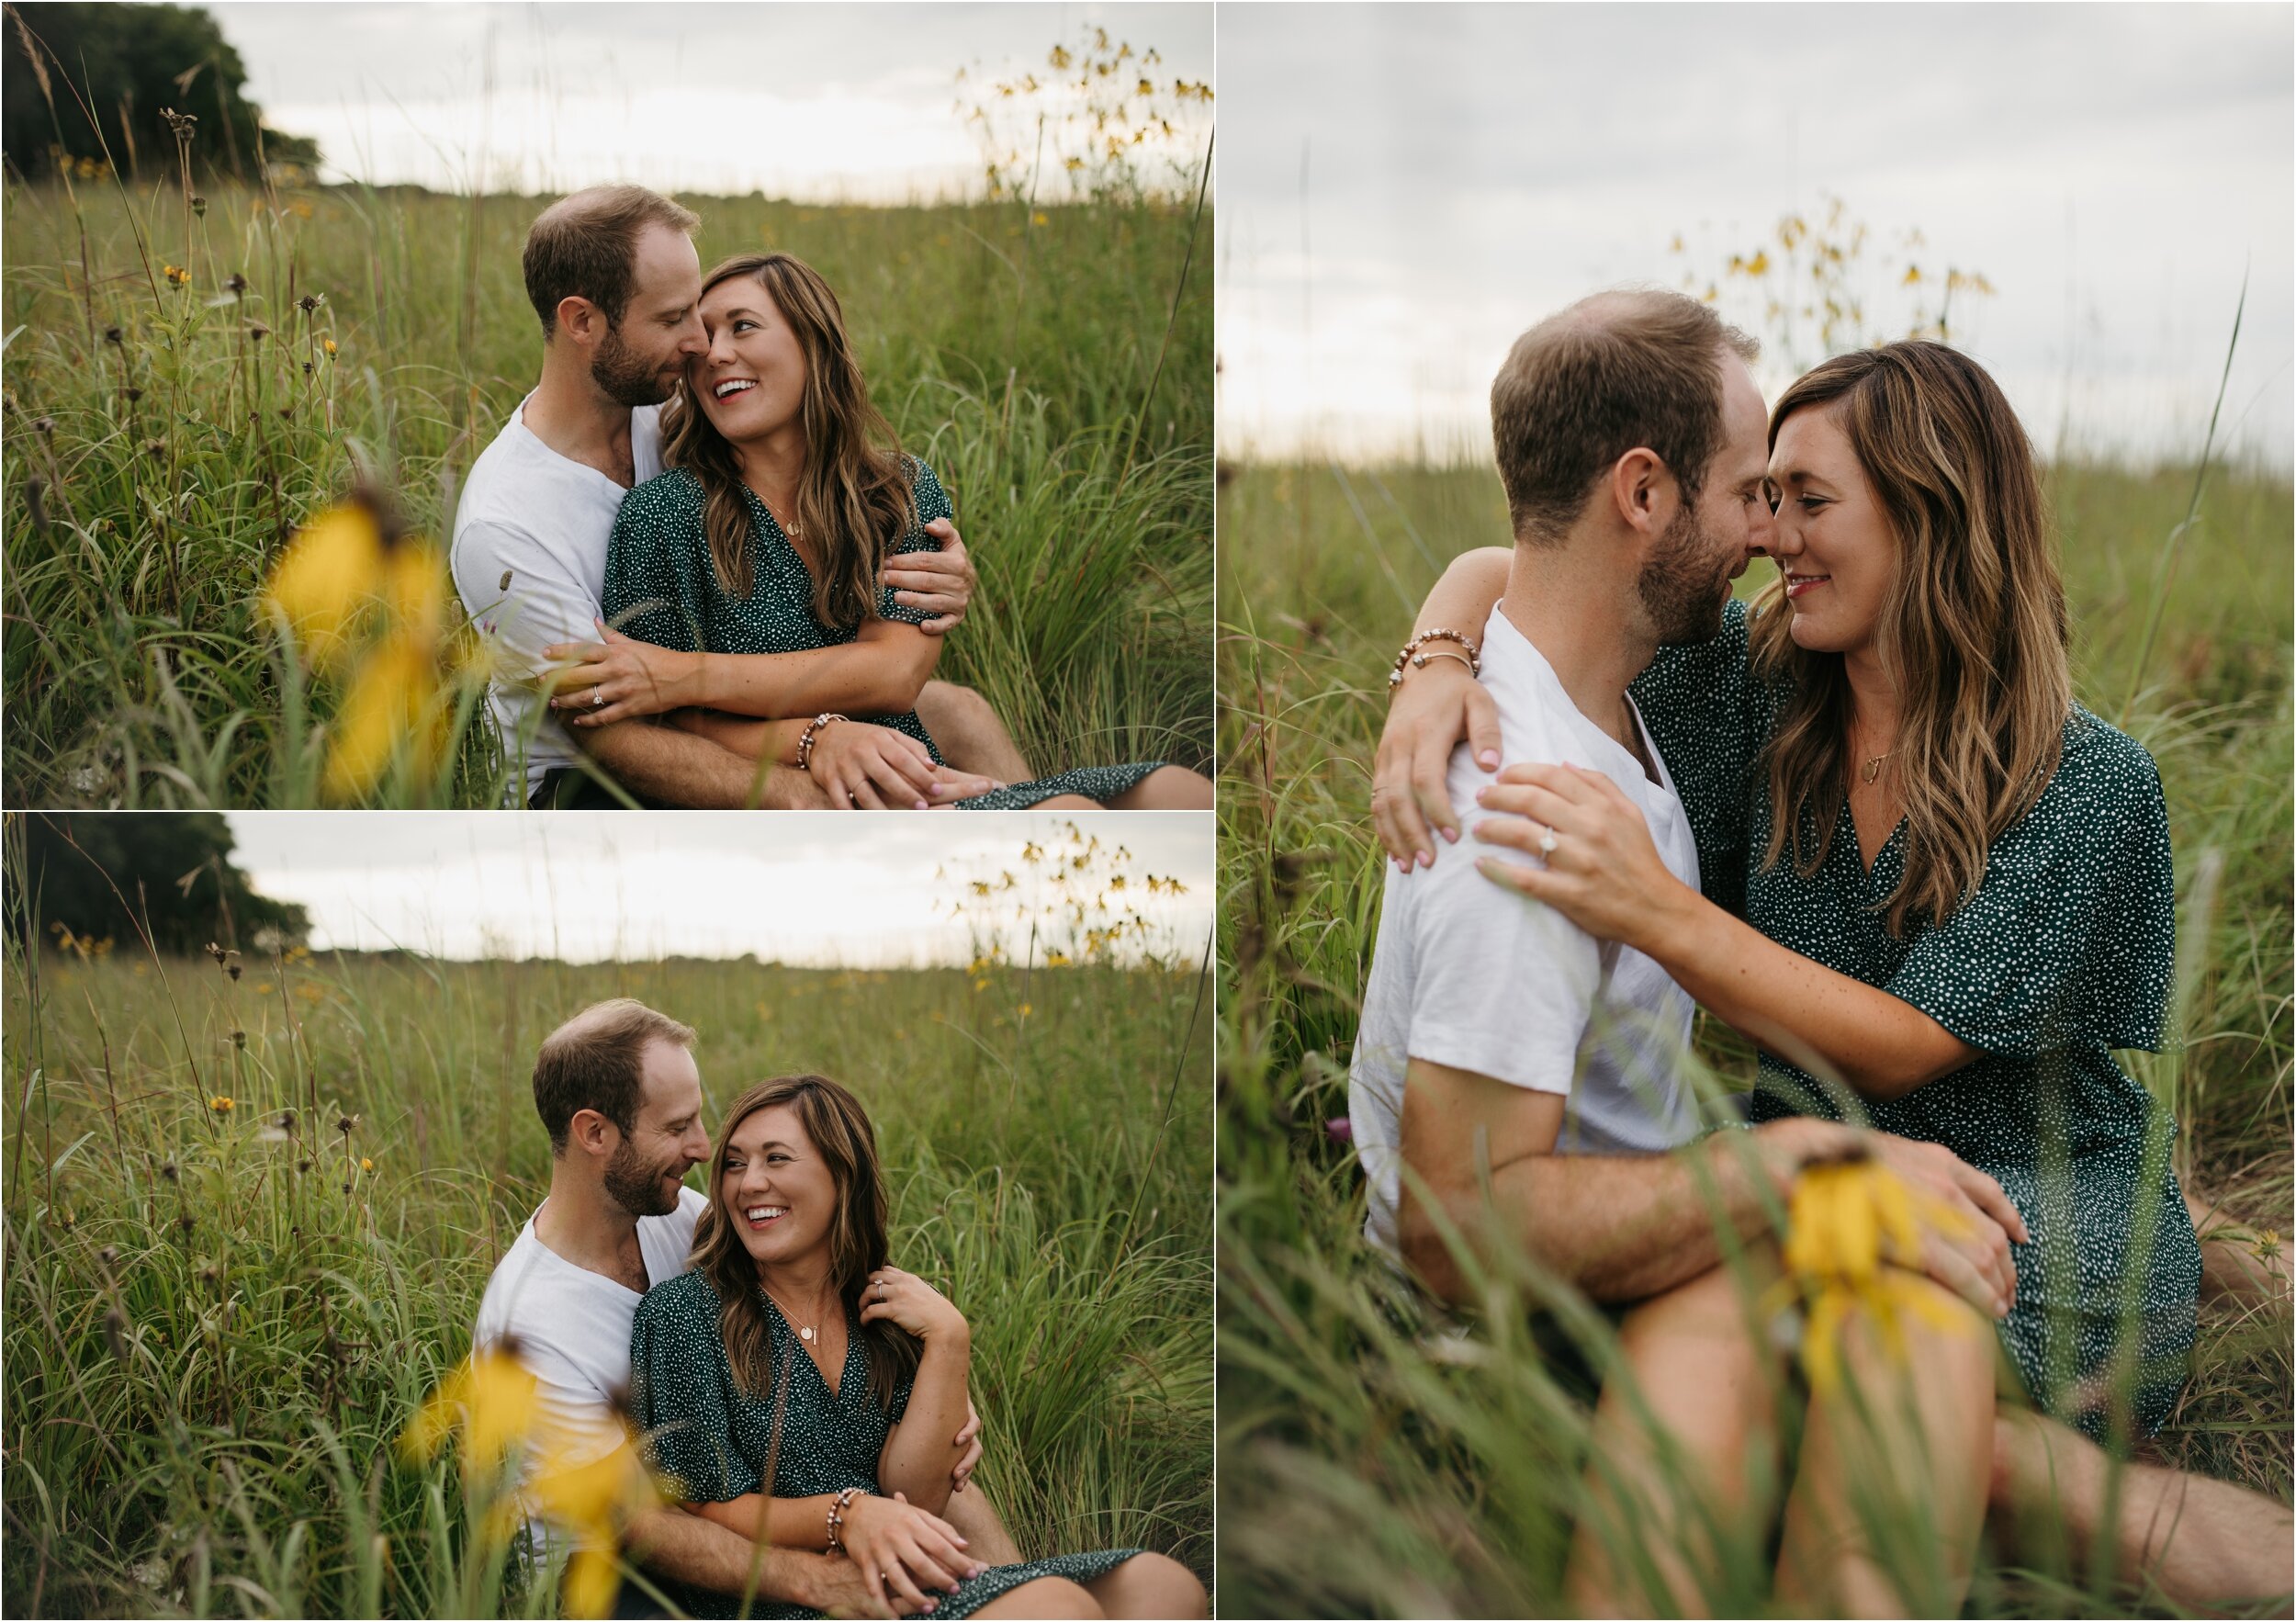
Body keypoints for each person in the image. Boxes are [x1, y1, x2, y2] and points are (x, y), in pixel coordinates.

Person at [1373, 320, 2292, 1607]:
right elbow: (1533, 563)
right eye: (1763, 495)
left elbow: (1909, 1042)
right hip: (1812, 1174)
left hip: (2038, 1199)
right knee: (1804, 1402)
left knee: (1918, 1425)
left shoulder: (2088, 782)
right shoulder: (1766, 682)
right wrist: (1434, 664)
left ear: (1933, 516)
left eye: (1807, 502)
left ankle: (2104, 1448)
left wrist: (1655, 907)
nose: (1769, 537)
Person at [1346, 289, 2021, 1617]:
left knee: (1917, 1276)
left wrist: (1432, 647)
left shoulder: (1605, 710)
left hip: (1649, 1234)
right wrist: (1794, 1166)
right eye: (1745, 492)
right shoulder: (1522, 812)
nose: (1766, 534)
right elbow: (1455, 1224)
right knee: (1895, 1265)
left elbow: (1505, 568)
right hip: (1544, 1318)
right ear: (1643, 494)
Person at [548, 250, 1213, 812]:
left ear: (813, 342)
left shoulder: (894, 489)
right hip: (816, 800)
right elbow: (661, 715)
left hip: (910, 769)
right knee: (1070, 818)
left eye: (743, 328)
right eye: (703, 339)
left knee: (1181, 793)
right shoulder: (664, 514)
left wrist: (684, 673)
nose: (716, 354)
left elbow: (894, 674)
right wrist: (815, 736)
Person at [449, 186, 1019, 809]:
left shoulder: (673, 409)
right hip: (592, 785)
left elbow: (814, 467)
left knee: (959, 712)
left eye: (698, 311)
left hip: (708, 704)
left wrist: (944, 566)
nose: (702, 345)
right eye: (672, 320)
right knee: (848, 797)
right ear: (583, 322)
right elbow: (612, 729)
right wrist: (812, 753)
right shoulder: (506, 525)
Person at [473, 999, 1011, 1618]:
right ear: (595, 1134)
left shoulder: (676, 1217)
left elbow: (813, 1268)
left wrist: (938, 1380)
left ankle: (1014, 1587)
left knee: (930, 1477)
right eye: (677, 1128)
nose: (704, 1147)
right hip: (610, 1579)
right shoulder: (532, 1326)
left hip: (710, 1504)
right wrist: (831, 1572)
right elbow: (644, 1525)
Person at [629, 1073, 1207, 1621]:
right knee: (1059, 1609)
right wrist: (846, 1516)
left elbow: (920, 1494)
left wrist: (950, 1342)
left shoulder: (883, 1311)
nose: (748, 1182)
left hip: (908, 1568)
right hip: (787, 1593)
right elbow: (699, 1504)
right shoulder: (688, 1313)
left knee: (1163, 1587)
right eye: (734, 1164)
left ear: (842, 1176)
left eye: (776, 1158)